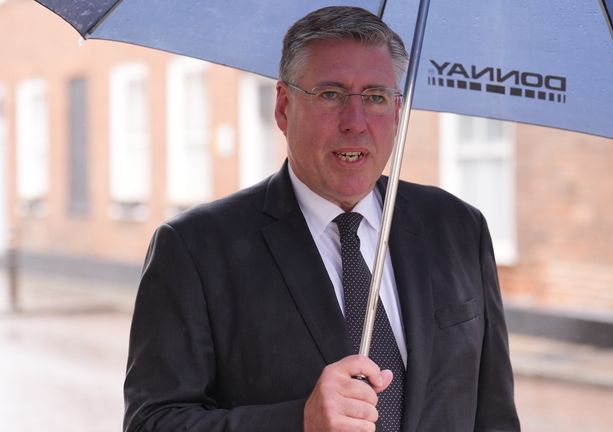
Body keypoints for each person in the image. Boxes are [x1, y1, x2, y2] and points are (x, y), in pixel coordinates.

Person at [123, 6, 520, 432]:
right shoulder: (194, 249)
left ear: (398, 111)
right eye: (330, 94)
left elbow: (493, 415)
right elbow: (153, 422)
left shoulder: (459, 229)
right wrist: (300, 421)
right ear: (283, 107)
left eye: (375, 97)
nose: (355, 122)